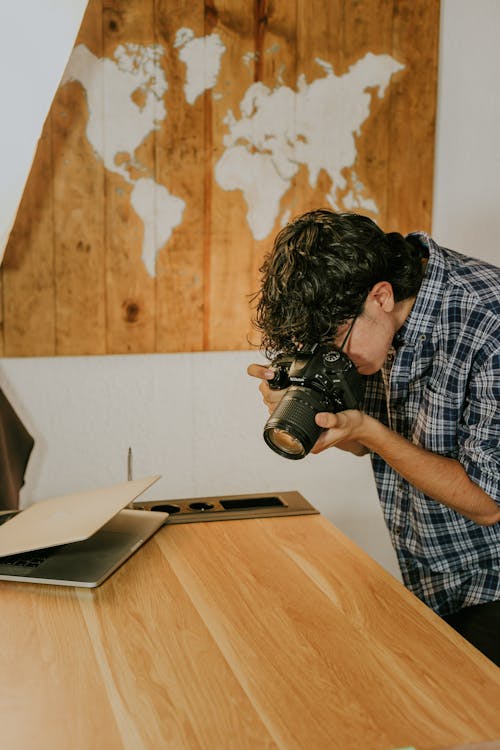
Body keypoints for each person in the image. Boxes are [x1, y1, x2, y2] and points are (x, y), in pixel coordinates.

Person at [248, 209, 500, 666]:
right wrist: (323, 416)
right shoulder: (373, 324)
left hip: (492, 581)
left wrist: (367, 429)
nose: (330, 356)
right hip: (430, 575)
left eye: (334, 343)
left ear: (380, 296)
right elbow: (363, 441)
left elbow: (488, 502)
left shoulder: (490, 324)